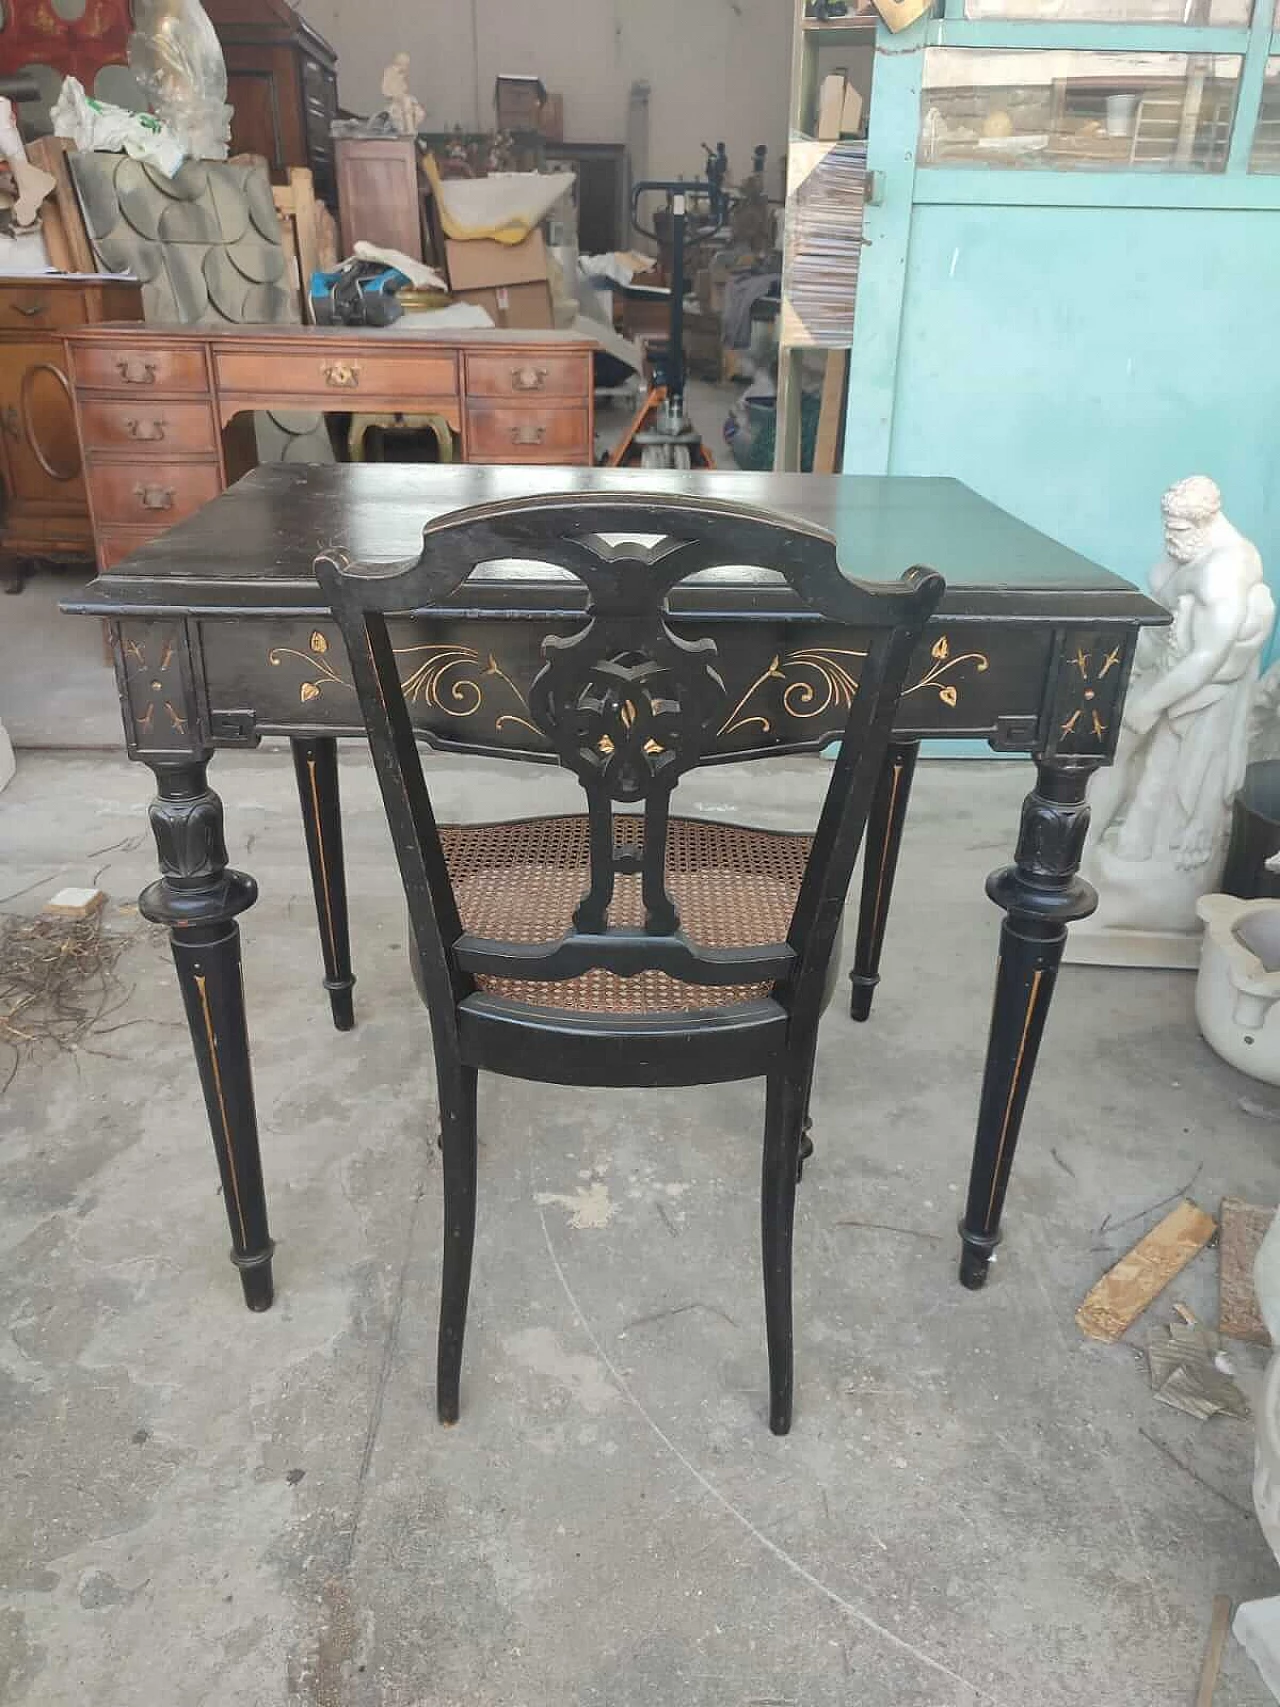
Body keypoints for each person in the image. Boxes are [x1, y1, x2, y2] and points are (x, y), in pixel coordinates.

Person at [1087, 476, 1274, 879]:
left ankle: (1129, 855)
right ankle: (1084, 846)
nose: (1170, 536)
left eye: (1178, 528)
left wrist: (1150, 703)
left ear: (1205, 522)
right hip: (1164, 666)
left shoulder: (1225, 568)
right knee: (1116, 751)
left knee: (1153, 767)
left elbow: (1210, 655)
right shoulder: (1193, 552)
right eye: (1168, 527)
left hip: (1197, 687)